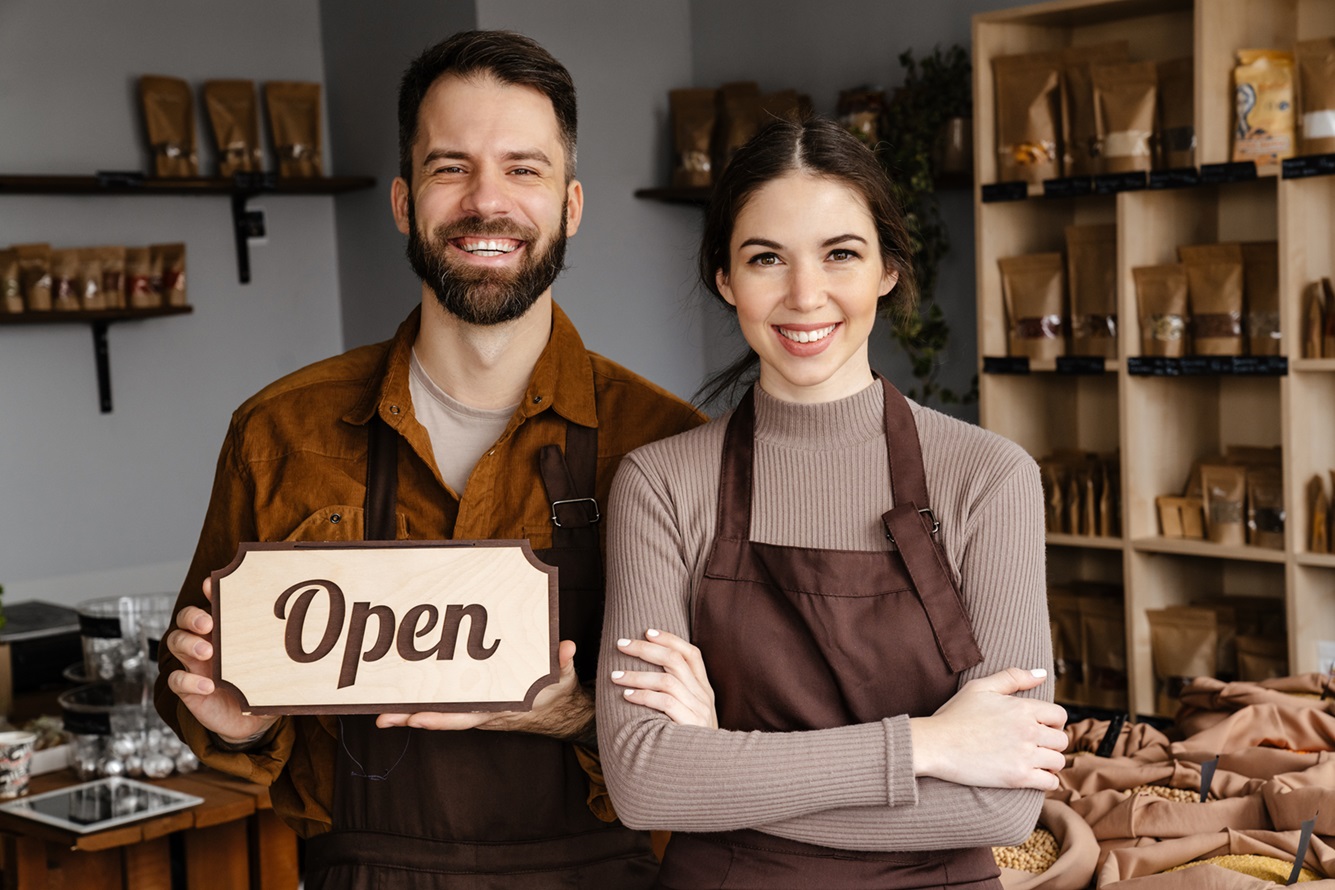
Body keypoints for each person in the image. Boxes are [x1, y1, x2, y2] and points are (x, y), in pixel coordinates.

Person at [154, 30, 704, 889]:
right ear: (406, 202)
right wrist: (236, 724)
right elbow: (197, 712)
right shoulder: (279, 431)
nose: (487, 202)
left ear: (571, 205)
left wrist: (572, 713)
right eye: (452, 167)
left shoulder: (668, 444)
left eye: (524, 169)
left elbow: (720, 740)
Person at [597, 116, 1069, 889]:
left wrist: (721, 765)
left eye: (840, 254)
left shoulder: (989, 478)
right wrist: (925, 745)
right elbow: (644, 782)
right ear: (725, 278)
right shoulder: (660, 484)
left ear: (886, 267)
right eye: (764, 259)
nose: (804, 296)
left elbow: (999, 806)